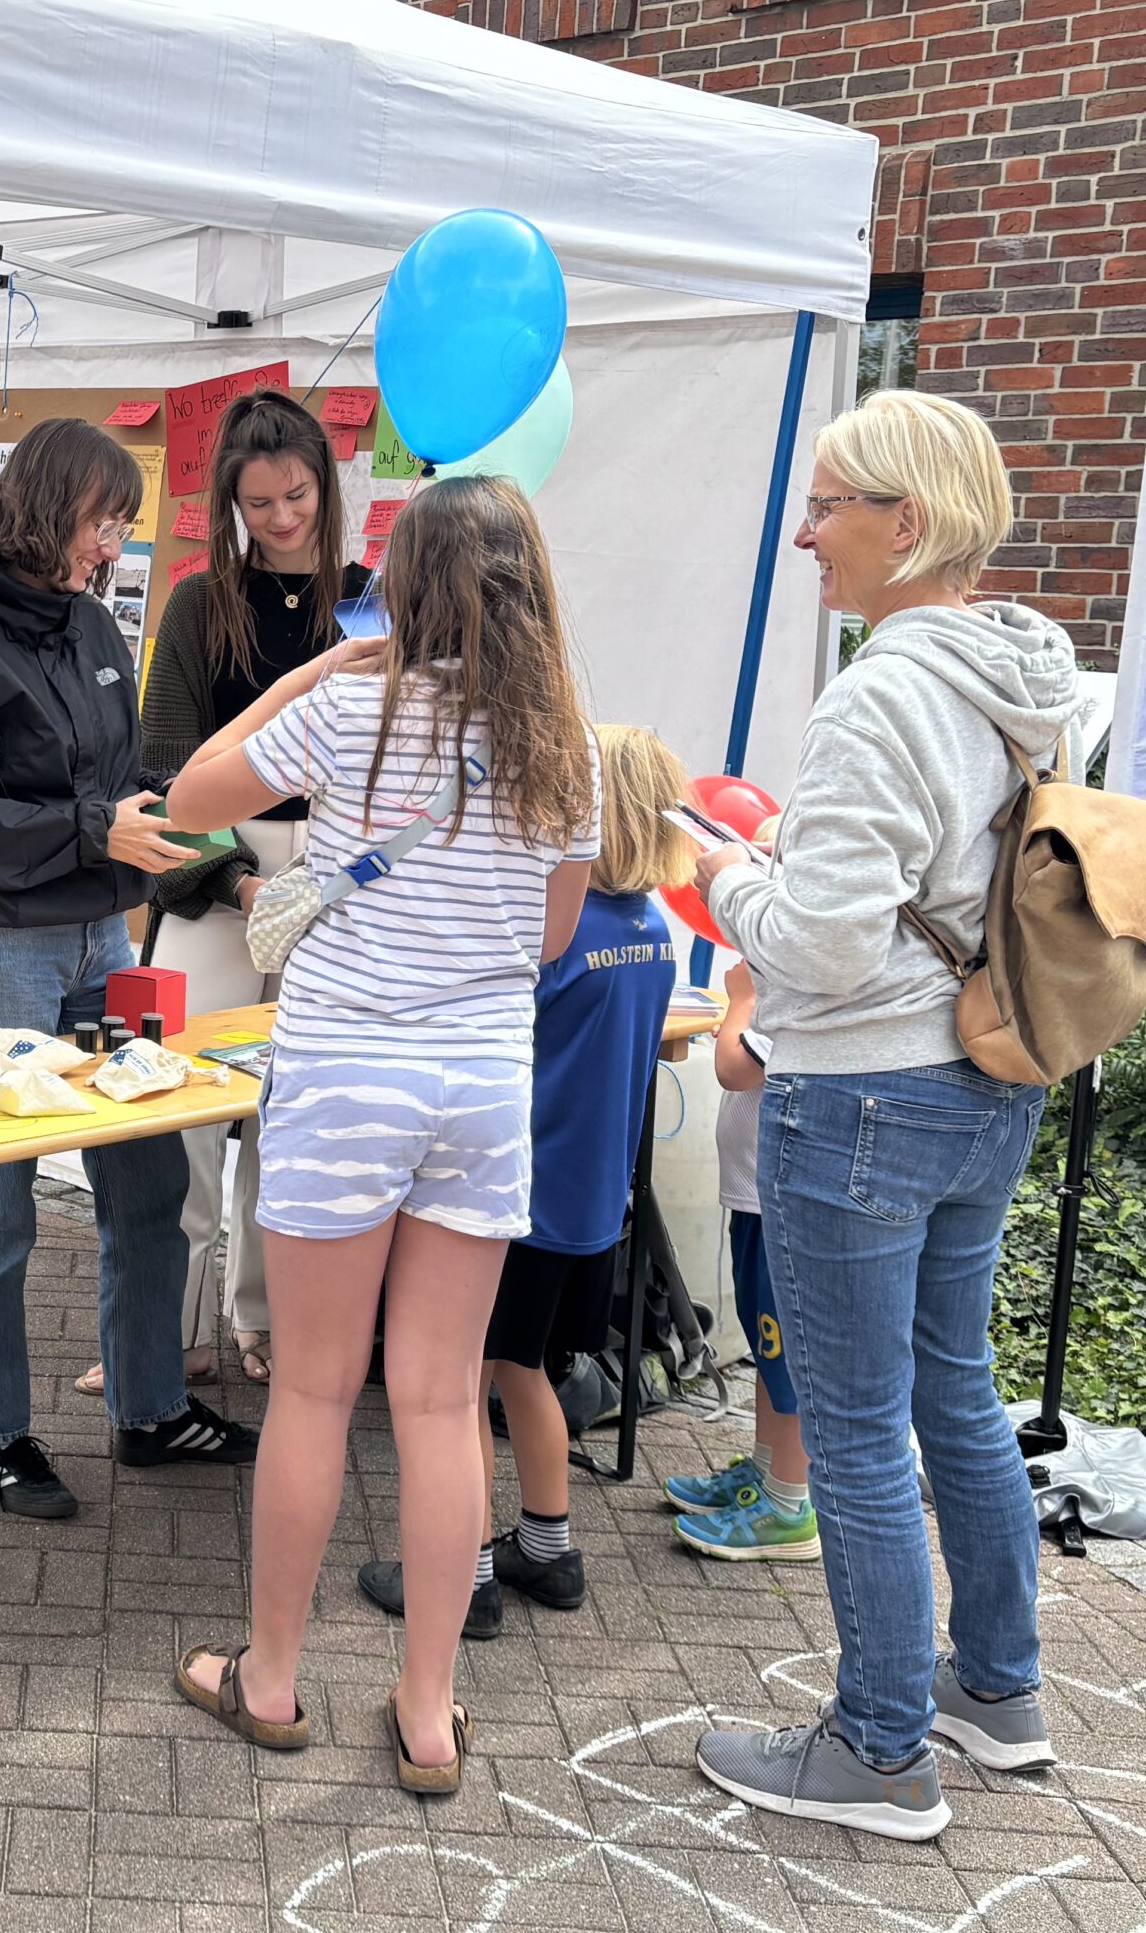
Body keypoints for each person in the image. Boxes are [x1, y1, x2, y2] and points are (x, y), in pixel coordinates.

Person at [165, 475, 598, 1791]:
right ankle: (426, 1712)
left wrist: (311, 680)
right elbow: (552, 939)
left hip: (346, 1073)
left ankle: (275, 1677)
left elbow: (188, 795)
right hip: (477, 1087)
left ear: (400, 590)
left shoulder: (349, 711)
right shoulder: (563, 744)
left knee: (308, 1386)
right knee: (434, 1397)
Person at [691, 388, 1076, 1841]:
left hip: (859, 1092)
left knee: (853, 1432)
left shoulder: (877, 693)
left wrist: (719, 866)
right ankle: (1000, 1690)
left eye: (831, 505)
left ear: (905, 524)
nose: (807, 536)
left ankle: (879, 1750)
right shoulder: (1025, 676)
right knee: (952, 1386)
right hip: (990, 1072)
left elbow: (828, 948)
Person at [0, 418, 259, 1521]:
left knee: (148, 1184)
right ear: (51, 512)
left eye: (120, 528)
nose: (112, 547)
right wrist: (91, 833)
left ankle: (149, 1408)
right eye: (104, 524)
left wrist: (207, 840)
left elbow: (123, 780)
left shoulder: (96, 627)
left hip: (107, 946)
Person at [356, 723, 685, 1632]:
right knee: (523, 1370)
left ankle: (461, 1581)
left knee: (457, 1383)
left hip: (513, 1198)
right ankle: (548, 1549)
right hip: (591, 1203)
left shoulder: (558, 936)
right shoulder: (653, 931)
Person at [134, 388, 370, 1390]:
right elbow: (161, 769)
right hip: (215, 878)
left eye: (298, 495)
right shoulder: (197, 601)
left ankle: (268, 1319)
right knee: (178, 1110)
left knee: (298, 1118)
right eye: (260, 501)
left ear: (325, 486)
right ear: (231, 500)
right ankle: (169, 1328)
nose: (281, 518)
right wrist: (236, 883)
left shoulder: (365, 598)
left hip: (338, 879)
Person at [666, 946, 817, 1559]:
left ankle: (789, 1505)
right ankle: (763, 1474)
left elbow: (734, 1067)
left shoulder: (806, 984)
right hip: (756, 1198)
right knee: (766, 1344)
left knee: (787, 1357)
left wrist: (743, 1000)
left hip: (778, 1198)